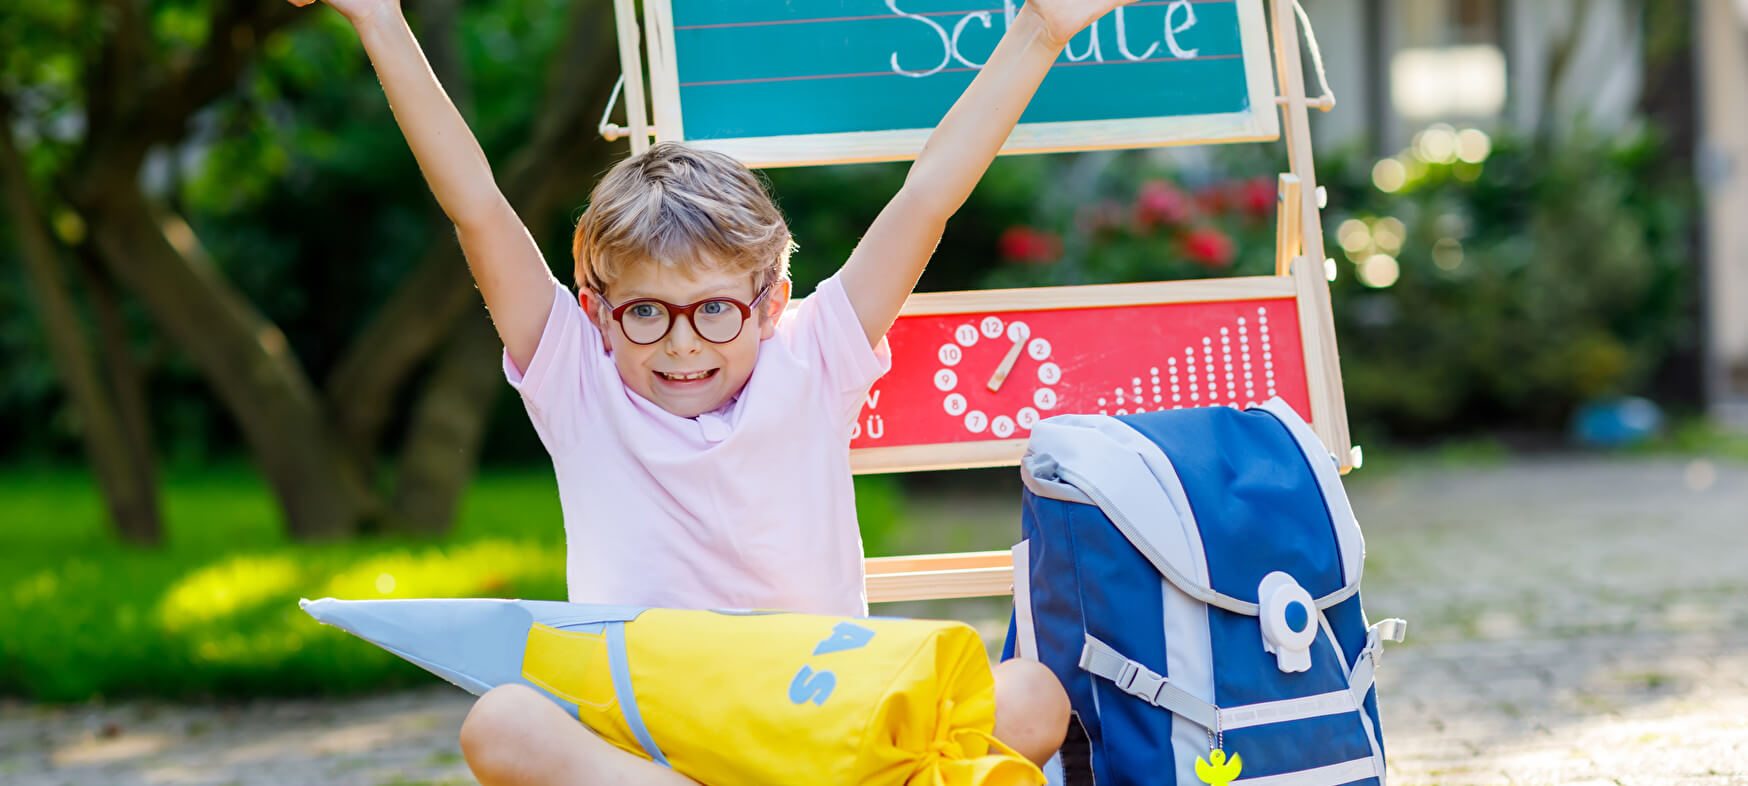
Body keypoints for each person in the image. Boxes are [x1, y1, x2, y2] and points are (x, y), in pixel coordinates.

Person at [286, 0, 1134, 781]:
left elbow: (929, 196)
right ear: (599, 311)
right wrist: (378, 19)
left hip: (831, 714)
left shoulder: (815, 357)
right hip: (662, 735)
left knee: (1031, 698)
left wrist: (1040, 31)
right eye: (648, 311)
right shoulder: (577, 378)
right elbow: (476, 207)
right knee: (501, 725)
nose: (684, 342)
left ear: (770, 304)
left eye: (715, 310)